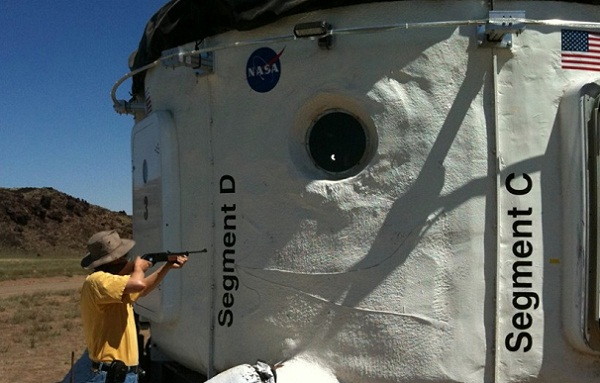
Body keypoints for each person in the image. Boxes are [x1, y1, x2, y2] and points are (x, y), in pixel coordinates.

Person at [61, 230, 188, 383]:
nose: (126, 258)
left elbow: (143, 288)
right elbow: (138, 284)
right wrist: (139, 268)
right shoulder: (96, 281)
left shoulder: (114, 285)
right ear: (114, 259)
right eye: (122, 256)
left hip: (124, 374)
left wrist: (166, 266)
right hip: (109, 375)